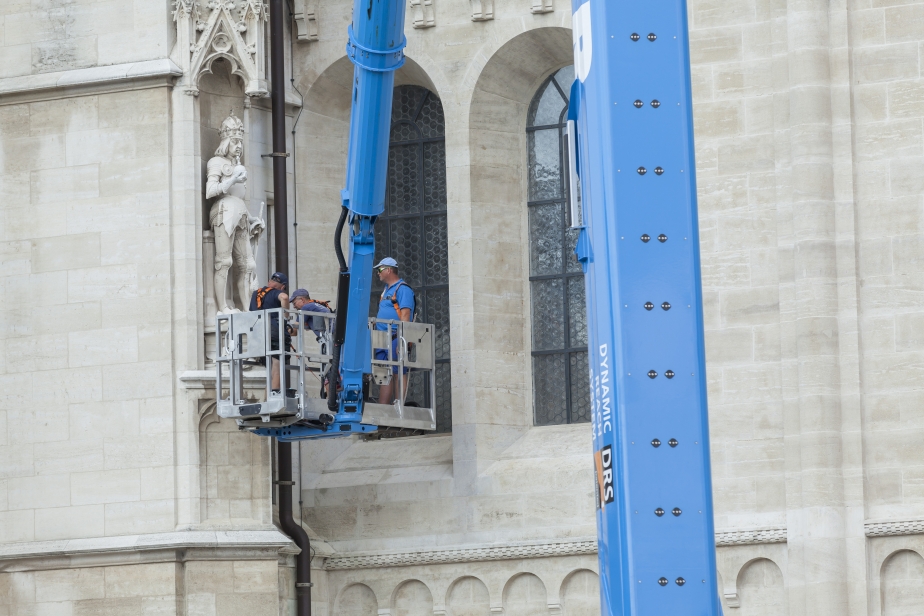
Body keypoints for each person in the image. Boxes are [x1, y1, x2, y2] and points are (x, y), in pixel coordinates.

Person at [373, 257, 415, 405]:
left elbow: (405, 315)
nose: (377, 273)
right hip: (382, 337)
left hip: (396, 335)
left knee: (398, 371)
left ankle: (398, 407)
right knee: (384, 373)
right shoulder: (386, 291)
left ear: (389, 270)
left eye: (379, 270)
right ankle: (383, 407)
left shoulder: (402, 289)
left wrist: (403, 341)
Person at [249, 272, 289, 392]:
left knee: (269, 371)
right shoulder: (276, 292)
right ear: (282, 286)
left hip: (257, 333)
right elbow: (285, 298)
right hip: (274, 332)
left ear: (269, 282)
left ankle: (267, 398)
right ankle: (275, 398)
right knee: (277, 367)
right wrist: (285, 315)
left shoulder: (256, 294)